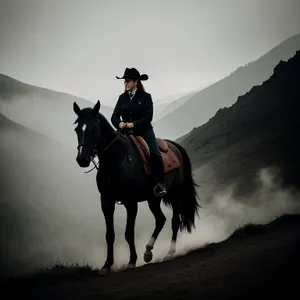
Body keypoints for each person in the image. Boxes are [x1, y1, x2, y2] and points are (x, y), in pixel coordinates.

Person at [111, 67, 167, 197]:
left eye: (128, 81)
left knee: (155, 154)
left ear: (136, 82)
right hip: (125, 132)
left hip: (144, 131)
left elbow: (148, 117)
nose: (125, 83)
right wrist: (119, 123)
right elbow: (114, 116)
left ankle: (160, 183)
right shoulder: (122, 98)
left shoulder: (146, 97)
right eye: (124, 81)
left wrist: (133, 124)